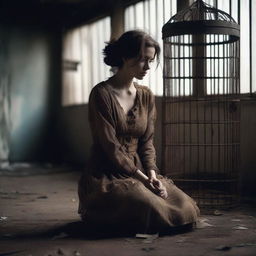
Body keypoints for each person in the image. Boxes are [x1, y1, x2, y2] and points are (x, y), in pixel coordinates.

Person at [78, 30, 199, 235]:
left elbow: (147, 142)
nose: (147, 67)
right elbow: (110, 146)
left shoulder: (145, 95)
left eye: (150, 61)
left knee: (184, 207)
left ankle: (147, 198)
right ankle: (101, 209)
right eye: (142, 60)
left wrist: (152, 175)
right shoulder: (101, 94)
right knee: (149, 205)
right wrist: (143, 180)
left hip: (142, 172)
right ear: (125, 57)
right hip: (107, 173)